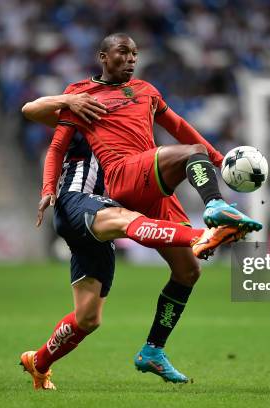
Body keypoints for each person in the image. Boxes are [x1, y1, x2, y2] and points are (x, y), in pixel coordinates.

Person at [22, 32, 262, 384]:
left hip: (134, 186)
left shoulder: (146, 91)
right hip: (95, 198)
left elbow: (178, 126)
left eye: (136, 53)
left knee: (179, 276)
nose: (132, 58)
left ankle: (137, 352)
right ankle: (210, 222)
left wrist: (219, 159)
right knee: (134, 212)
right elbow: (39, 123)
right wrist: (48, 186)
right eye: (124, 52)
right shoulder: (80, 99)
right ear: (103, 56)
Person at [20, 129, 244, 390]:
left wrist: (213, 158)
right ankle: (201, 235)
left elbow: (174, 126)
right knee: (128, 220)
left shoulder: (129, 131)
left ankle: (39, 362)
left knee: (88, 318)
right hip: (77, 202)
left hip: (102, 210)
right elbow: (35, 111)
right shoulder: (84, 113)